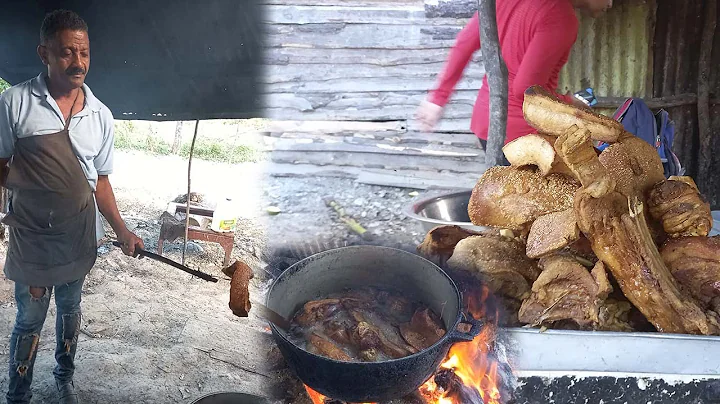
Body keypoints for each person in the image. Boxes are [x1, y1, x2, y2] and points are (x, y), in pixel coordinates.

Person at [0, 10, 144, 404]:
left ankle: (65, 378)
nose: (78, 62)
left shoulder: (100, 115)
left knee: (70, 309)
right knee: (29, 318)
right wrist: (30, 197)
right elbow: (1, 166)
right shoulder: (15, 103)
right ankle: (18, 393)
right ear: (44, 53)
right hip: (31, 236)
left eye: (84, 52)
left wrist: (122, 230)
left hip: (79, 234)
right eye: (67, 52)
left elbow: (101, 182)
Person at [416, 0, 613, 149]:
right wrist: (571, 103)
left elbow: (464, 43)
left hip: (488, 123)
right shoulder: (561, 16)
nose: (611, 4)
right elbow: (525, 90)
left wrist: (438, 98)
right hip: (523, 137)